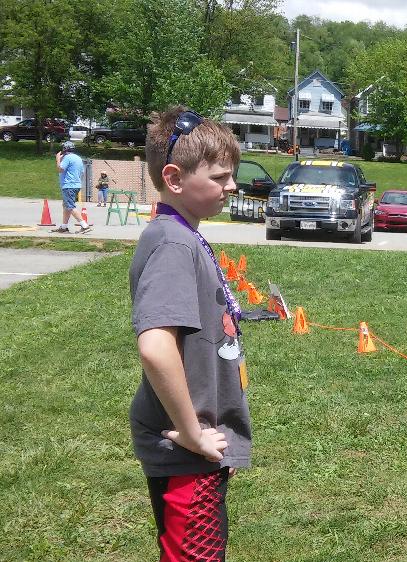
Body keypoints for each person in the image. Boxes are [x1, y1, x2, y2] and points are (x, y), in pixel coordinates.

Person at [128, 106, 249, 562]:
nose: (231, 186)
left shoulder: (181, 234)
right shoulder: (174, 244)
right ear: (174, 179)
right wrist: (192, 433)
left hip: (195, 446)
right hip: (183, 450)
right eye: (219, 177)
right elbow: (156, 347)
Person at [53, 141, 91, 233]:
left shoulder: (67, 157)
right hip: (76, 184)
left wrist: (58, 159)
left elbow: (60, 169)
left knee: (70, 206)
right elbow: (82, 173)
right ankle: (64, 227)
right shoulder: (78, 158)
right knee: (66, 205)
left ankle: (84, 225)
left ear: (65, 149)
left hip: (68, 185)